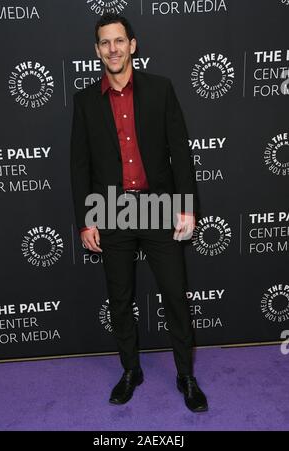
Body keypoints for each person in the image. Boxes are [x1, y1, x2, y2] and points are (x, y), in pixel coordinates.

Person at [70, 13, 208, 413]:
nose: (112, 48)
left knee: (176, 297)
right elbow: (80, 165)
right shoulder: (84, 101)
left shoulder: (161, 90)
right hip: (111, 209)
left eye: (119, 41)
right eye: (104, 42)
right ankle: (131, 370)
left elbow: (180, 153)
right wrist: (85, 218)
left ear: (132, 45)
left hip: (159, 205)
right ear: (97, 51)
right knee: (119, 299)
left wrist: (185, 206)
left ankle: (186, 375)